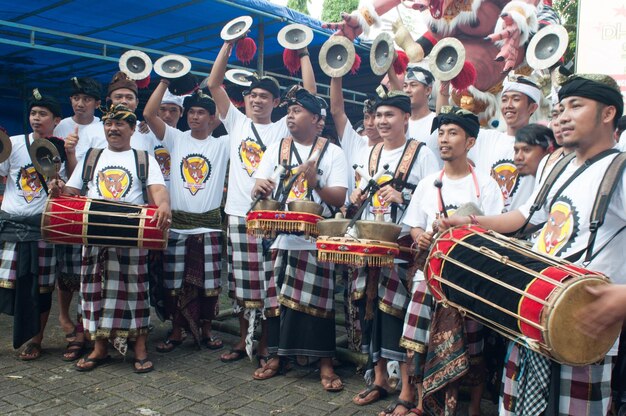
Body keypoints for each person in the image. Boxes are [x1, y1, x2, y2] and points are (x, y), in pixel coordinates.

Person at [440, 73, 625, 416]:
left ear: (608, 113)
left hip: (584, 322)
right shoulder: (558, 165)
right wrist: (471, 223)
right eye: (560, 108)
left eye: (576, 106)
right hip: (534, 308)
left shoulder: (620, 169)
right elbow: (525, 217)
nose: (563, 116)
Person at [207, 39, 315, 366]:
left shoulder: (284, 126)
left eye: (264, 96)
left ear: (277, 102)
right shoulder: (236, 121)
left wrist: (304, 53)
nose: (256, 100)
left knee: (269, 284)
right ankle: (243, 341)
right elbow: (213, 83)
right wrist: (226, 44)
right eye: (252, 95)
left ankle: (265, 343)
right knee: (241, 284)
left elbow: (310, 92)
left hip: (272, 219)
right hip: (239, 215)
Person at [401, 106, 503, 416]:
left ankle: (468, 408)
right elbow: (415, 224)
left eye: (453, 133)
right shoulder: (428, 183)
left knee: (471, 348)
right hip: (428, 276)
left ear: (470, 142)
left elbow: (494, 231)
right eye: (441, 133)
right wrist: (420, 236)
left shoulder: (485, 185)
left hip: (466, 280)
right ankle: (422, 403)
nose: (444, 140)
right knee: (417, 341)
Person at [57, 104, 170, 373]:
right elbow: (71, 193)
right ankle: (100, 348)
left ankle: (140, 348)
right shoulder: (91, 157)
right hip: (94, 234)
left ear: (132, 129)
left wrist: (164, 205)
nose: (113, 128)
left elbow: (158, 190)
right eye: (109, 123)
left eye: (120, 124)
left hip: (131, 236)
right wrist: (59, 188)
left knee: (136, 294)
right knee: (93, 293)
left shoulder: (143, 158)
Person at [251, 86, 348, 391]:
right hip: (281, 239)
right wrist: (261, 188)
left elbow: (339, 196)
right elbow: (259, 185)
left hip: (317, 241)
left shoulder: (332, 152)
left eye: (297, 112)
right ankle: (279, 357)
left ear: (317, 120)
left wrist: (315, 182)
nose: (290, 117)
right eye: (289, 111)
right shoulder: (277, 148)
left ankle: (325, 363)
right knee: (279, 304)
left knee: (321, 307)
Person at [349, 88, 438, 416]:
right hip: (371, 244)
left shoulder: (422, 154)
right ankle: (380, 377)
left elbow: (430, 198)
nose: (382, 121)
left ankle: (407, 388)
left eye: (389, 115)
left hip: (404, 247)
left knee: (399, 317)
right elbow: (360, 189)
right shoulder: (370, 151)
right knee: (370, 310)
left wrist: (404, 196)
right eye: (378, 116)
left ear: (405, 118)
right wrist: (358, 197)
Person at [143, 80, 229, 352]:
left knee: (210, 285)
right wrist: (166, 80)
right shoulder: (175, 138)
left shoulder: (223, 144)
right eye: (191, 111)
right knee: (173, 284)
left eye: (201, 112)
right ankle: (177, 331)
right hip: (178, 227)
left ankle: (205, 330)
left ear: (213, 118)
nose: (194, 116)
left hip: (210, 228)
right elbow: (148, 114)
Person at [0, 89, 64, 360]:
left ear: (56, 120)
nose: (37, 118)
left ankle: (35, 341)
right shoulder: (12, 144)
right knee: (4, 286)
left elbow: (68, 188)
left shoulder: (60, 150)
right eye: (33, 113)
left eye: (43, 114)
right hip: (11, 226)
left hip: (43, 228)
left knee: (42, 288)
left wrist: (58, 186)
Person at [53, 76, 102, 361]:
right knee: (67, 267)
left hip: (91, 201)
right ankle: (63, 318)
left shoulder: (102, 129)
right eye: (75, 98)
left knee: (88, 269)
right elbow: (56, 168)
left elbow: (84, 174)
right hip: (65, 201)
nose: (80, 103)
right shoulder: (59, 126)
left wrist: (72, 153)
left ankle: (86, 327)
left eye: (86, 99)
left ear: (97, 103)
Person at [66, 71, 154, 176]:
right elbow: (76, 174)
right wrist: (70, 152)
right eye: (118, 97)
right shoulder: (91, 131)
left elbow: (150, 173)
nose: (124, 101)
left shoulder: (145, 131)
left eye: (129, 98)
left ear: (137, 103)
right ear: (109, 100)